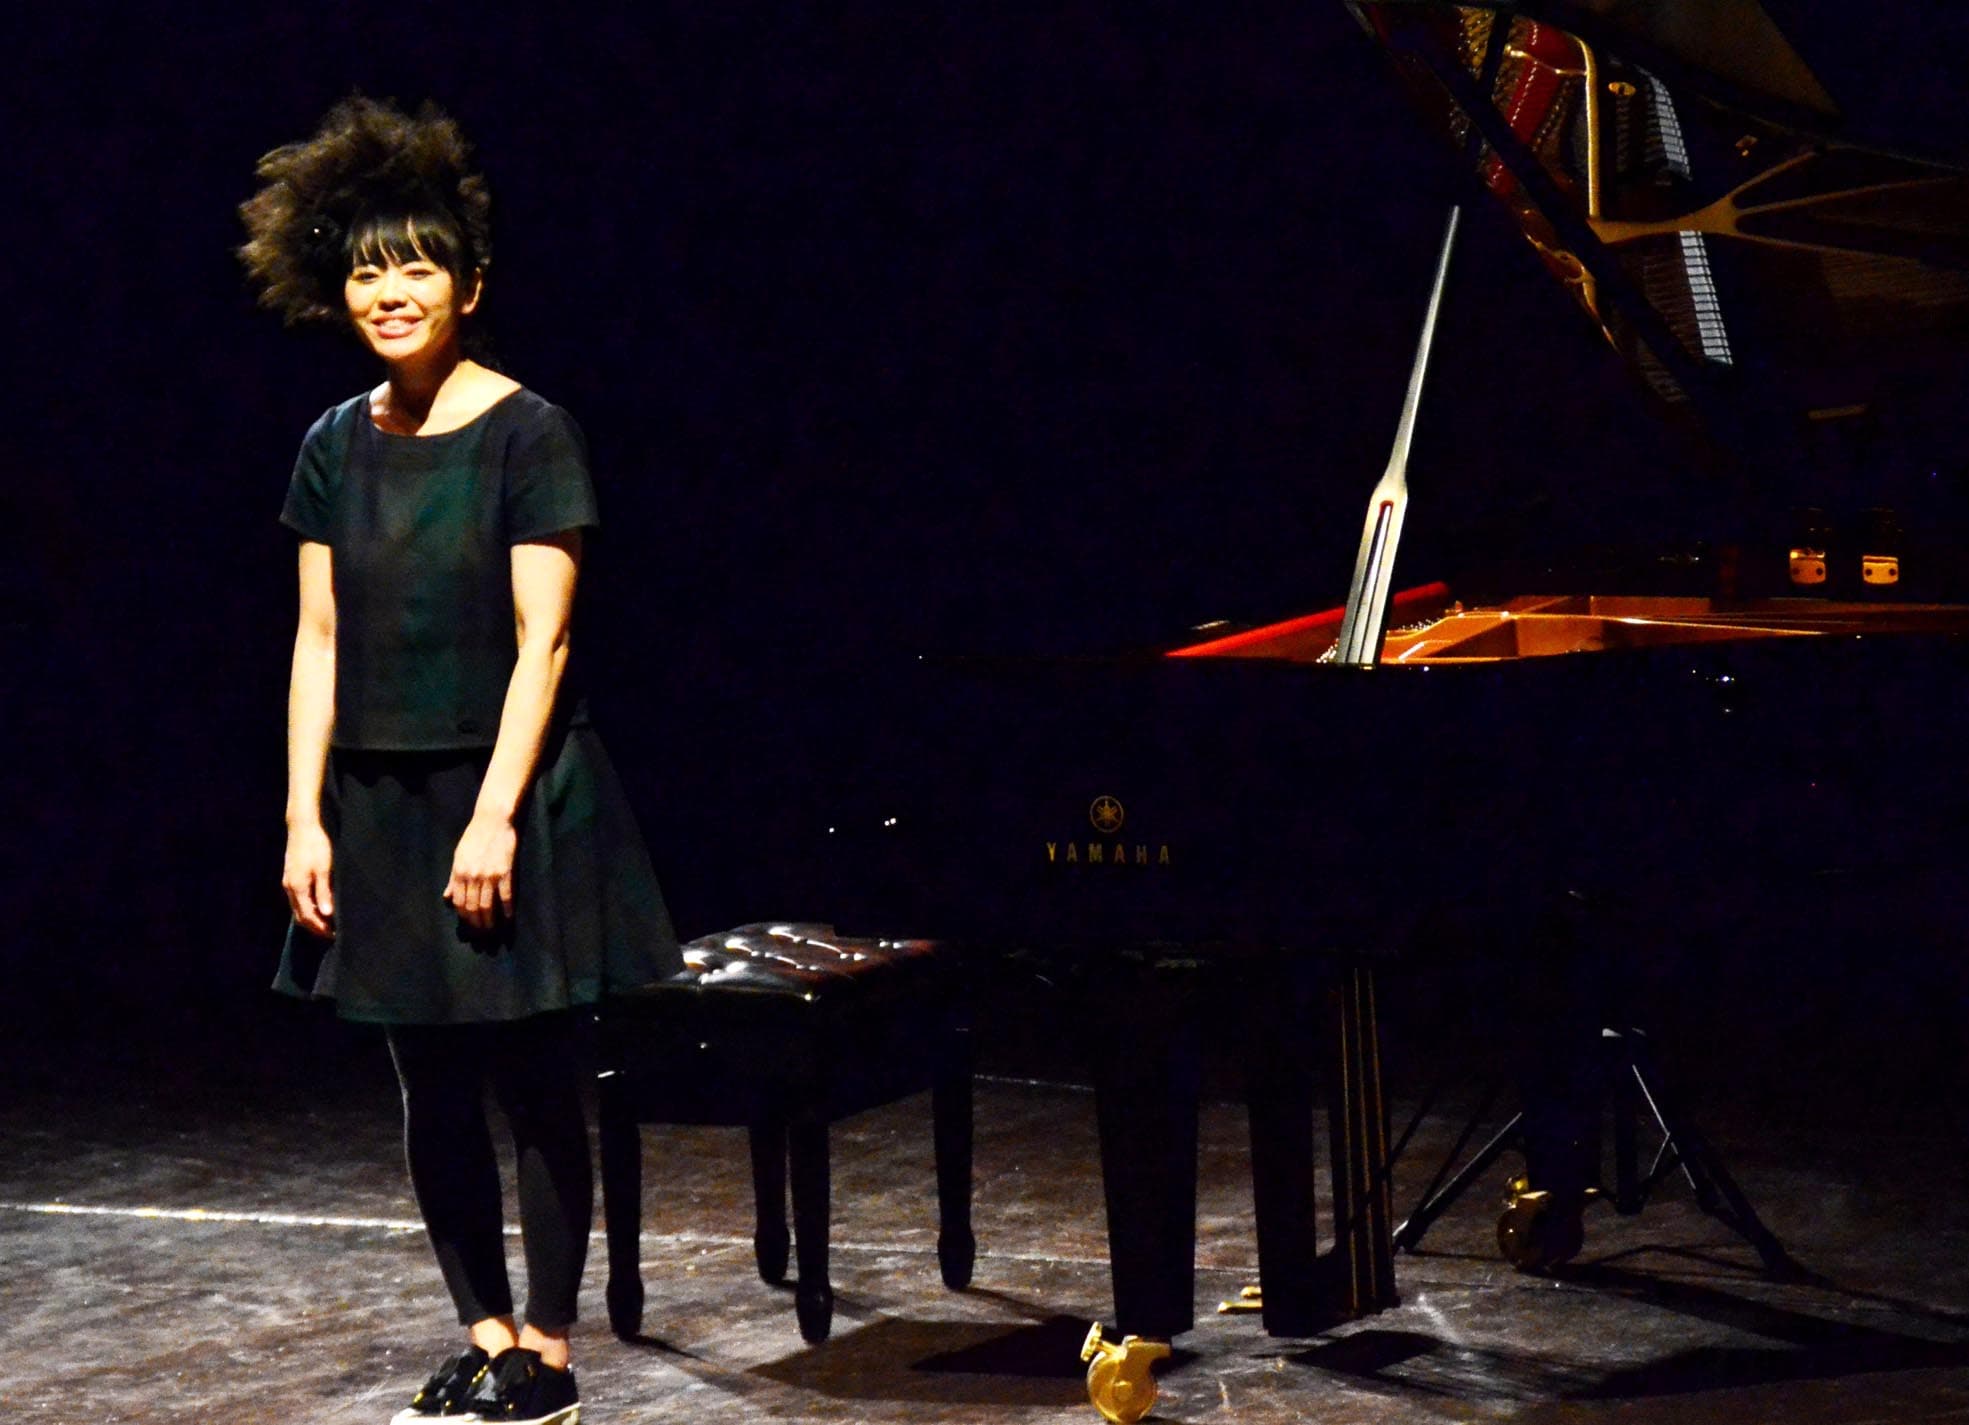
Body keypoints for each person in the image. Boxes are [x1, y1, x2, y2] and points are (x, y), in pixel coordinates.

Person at [240, 95, 681, 1425]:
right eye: (368, 270)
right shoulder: (333, 443)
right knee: (425, 1083)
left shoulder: (529, 432)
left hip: (509, 793)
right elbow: (318, 638)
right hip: (378, 797)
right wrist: (302, 816)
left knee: (535, 1080)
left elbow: (546, 643)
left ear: (469, 285)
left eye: (418, 266)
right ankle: (486, 1336)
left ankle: (547, 1351)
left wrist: (493, 819)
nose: (391, 291)